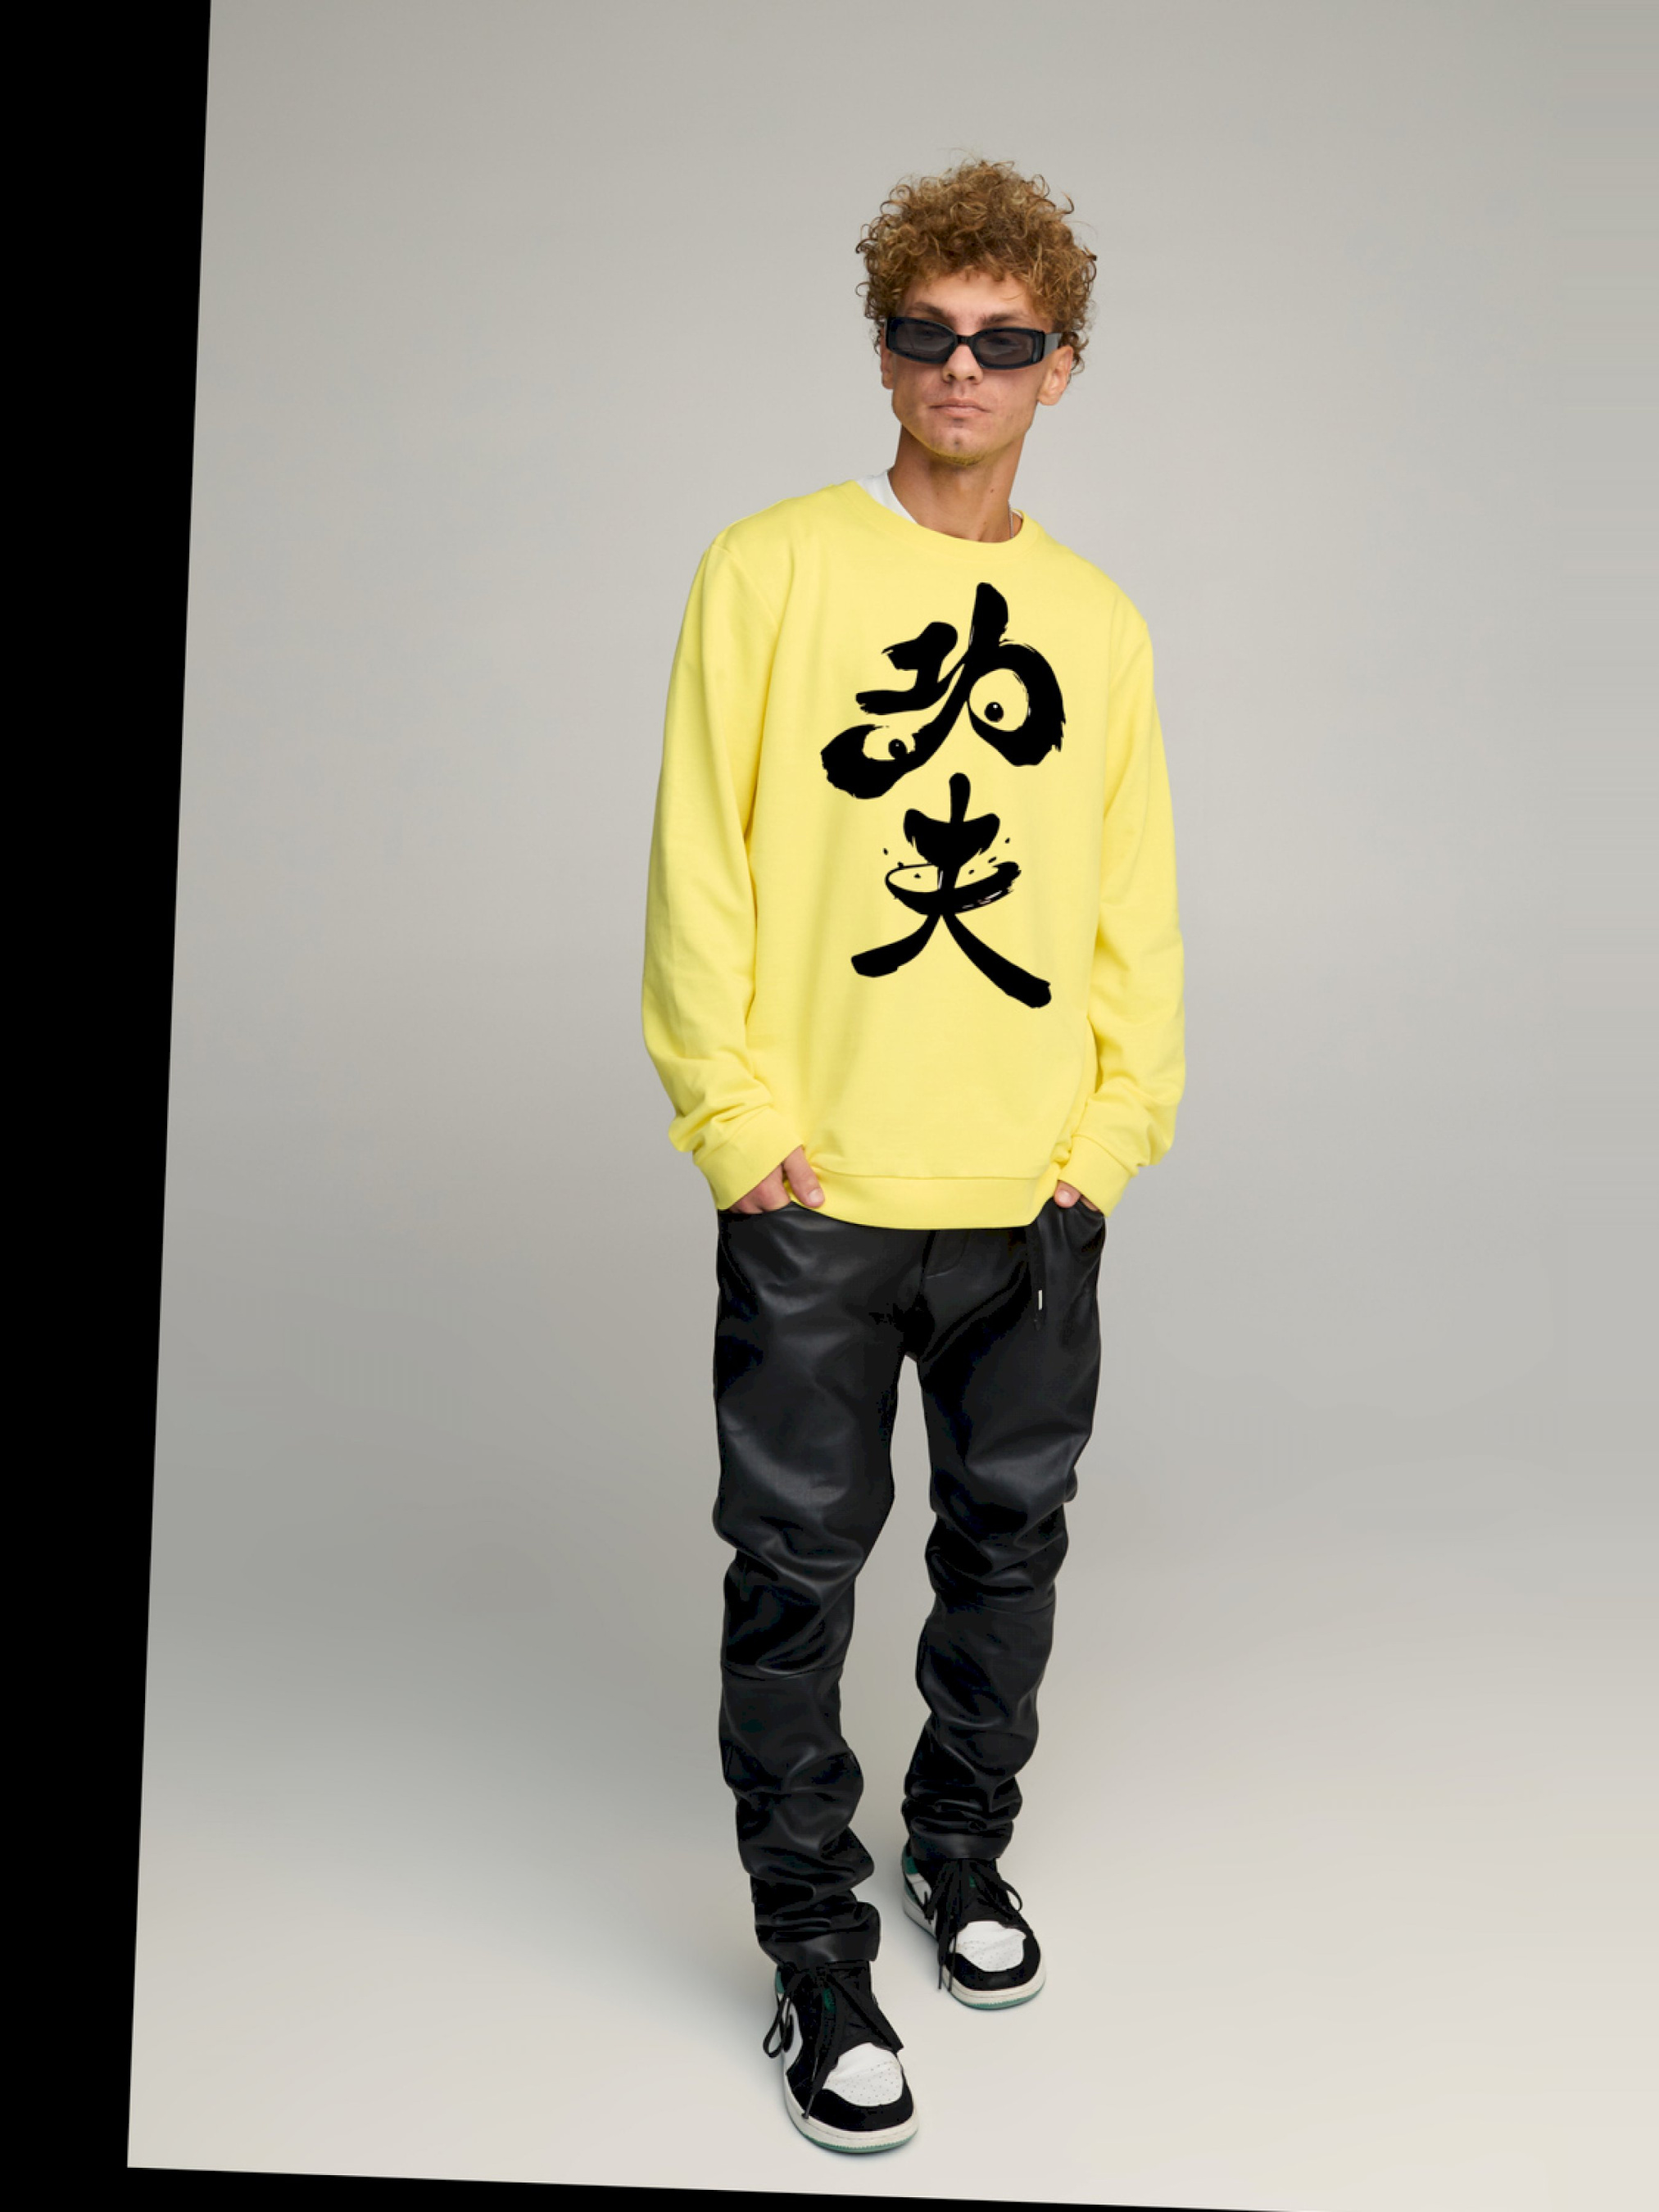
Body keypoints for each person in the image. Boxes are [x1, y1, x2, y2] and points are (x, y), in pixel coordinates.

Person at [640, 156, 1185, 2154]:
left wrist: (1108, 1134)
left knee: (1006, 1550)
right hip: (818, 1193)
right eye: (924, 333)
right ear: (880, 350)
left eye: (1003, 341)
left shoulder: (1094, 624)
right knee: (792, 1577)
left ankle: (957, 1851)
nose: (961, 369)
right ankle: (812, 1948)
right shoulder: (768, 569)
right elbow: (700, 857)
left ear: (1059, 369)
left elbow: (1131, 904)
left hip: (1027, 1199)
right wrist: (735, 1120)